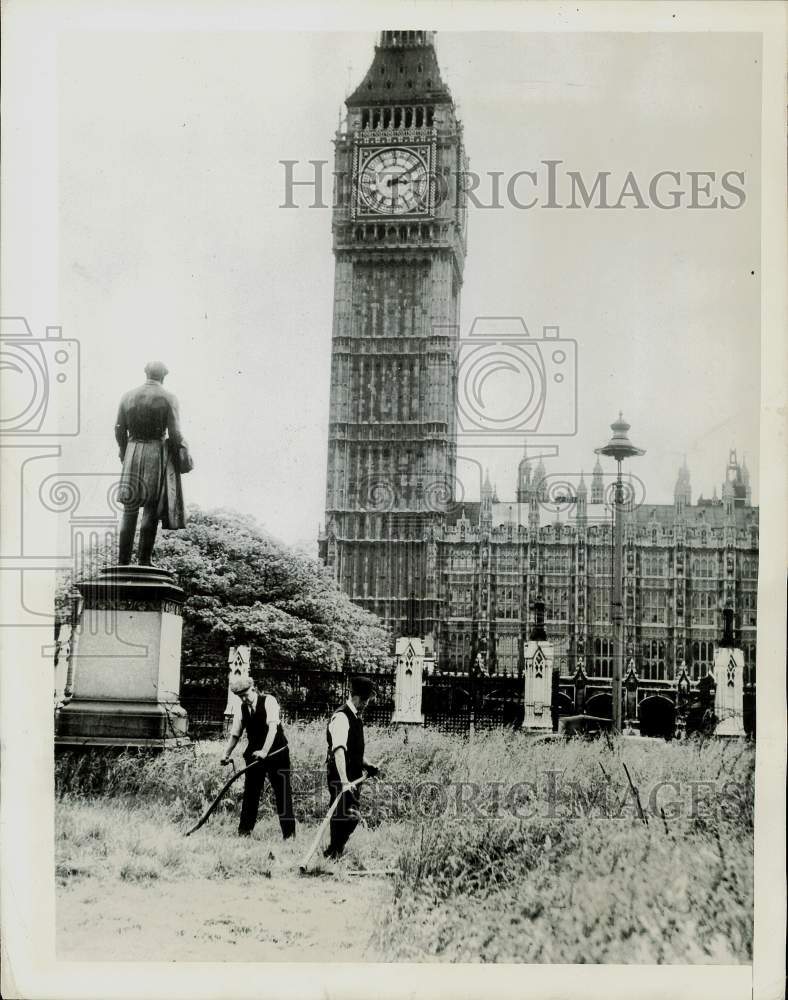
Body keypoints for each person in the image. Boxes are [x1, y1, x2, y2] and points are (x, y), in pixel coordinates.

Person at [115, 361, 188, 566]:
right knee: (151, 508)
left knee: (129, 509)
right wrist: (180, 453)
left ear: (145, 372)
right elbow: (175, 433)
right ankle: (144, 561)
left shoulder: (127, 395)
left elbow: (119, 429)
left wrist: (124, 452)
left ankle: (123, 562)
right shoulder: (168, 397)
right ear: (164, 376)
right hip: (155, 452)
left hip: (132, 451)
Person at [220, 676, 296, 840]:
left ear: (253, 689)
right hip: (254, 756)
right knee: (251, 793)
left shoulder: (269, 701)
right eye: (240, 696)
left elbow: (273, 729)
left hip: (277, 754)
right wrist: (226, 754)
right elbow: (235, 734)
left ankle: (289, 836)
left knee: (282, 793)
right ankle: (244, 832)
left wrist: (264, 751)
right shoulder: (242, 708)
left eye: (246, 694)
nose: (244, 698)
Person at [324, 676, 380, 860]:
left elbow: (353, 751)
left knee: (350, 815)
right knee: (344, 814)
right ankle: (334, 852)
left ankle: (334, 851)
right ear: (359, 698)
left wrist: (368, 765)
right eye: (367, 700)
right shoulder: (341, 717)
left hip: (353, 775)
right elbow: (339, 750)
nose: (367, 704)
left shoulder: (356, 716)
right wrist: (344, 781)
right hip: (341, 775)